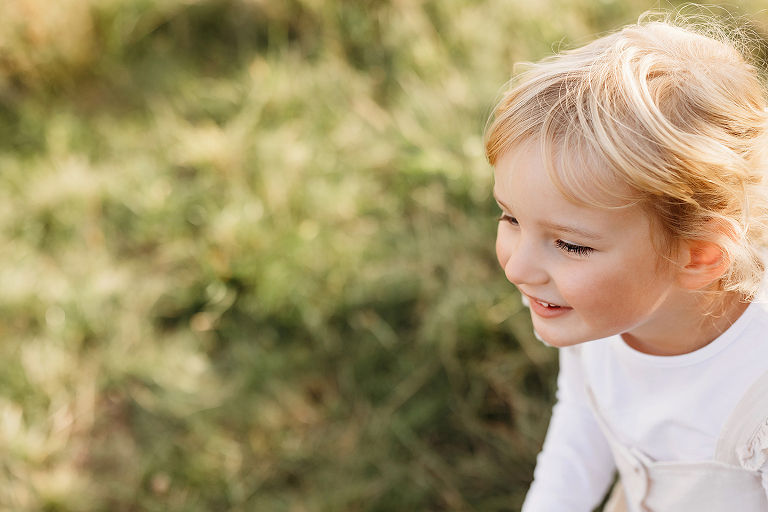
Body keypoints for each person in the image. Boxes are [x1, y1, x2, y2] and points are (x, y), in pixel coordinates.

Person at [484, 10, 768, 512]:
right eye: (510, 217)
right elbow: (584, 414)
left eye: (570, 245)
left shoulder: (756, 395)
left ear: (699, 255)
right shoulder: (594, 310)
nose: (517, 269)